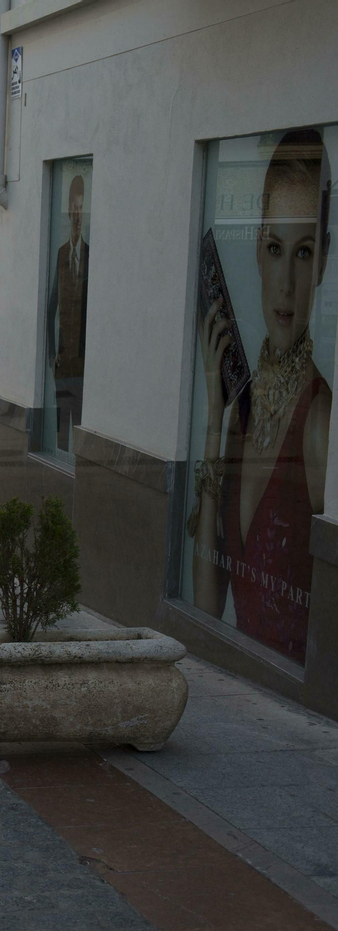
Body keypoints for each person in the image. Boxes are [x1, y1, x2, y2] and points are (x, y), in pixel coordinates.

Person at [193, 127, 331, 664]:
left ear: (323, 263)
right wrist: (212, 414)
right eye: (276, 248)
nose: (286, 284)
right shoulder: (241, 412)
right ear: (257, 249)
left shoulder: (319, 422)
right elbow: (206, 606)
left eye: (304, 252)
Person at [45, 174, 90, 448]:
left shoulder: (90, 256)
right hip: (63, 366)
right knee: (62, 434)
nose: (77, 217)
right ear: (68, 211)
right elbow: (50, 309)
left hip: (82, 366)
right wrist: (52, 356)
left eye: (80, 210)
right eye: (73, 210)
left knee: (80, 428)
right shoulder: (61, 254)